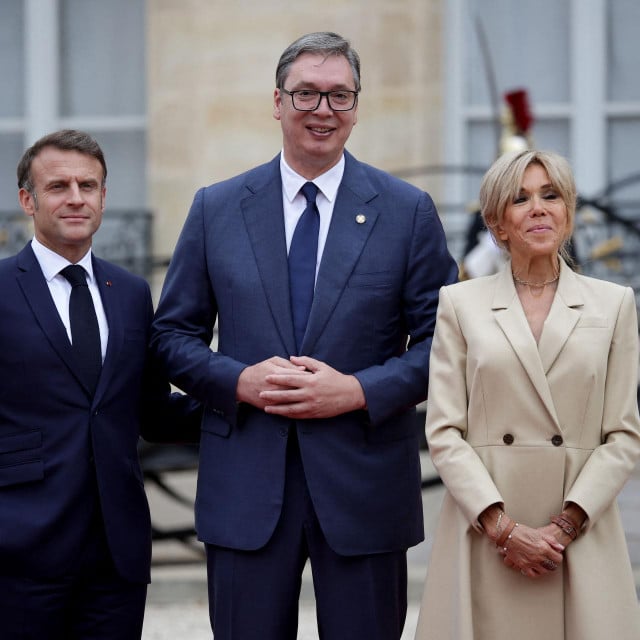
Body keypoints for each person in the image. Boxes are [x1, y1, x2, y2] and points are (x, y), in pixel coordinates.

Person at [150, 31, 458, 640]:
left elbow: (445, 346)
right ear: (277, 102)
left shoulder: (407, 211)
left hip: (363, 486)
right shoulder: (216, 208)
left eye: (340, 96)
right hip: (245, 484)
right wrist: (237, 379)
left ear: (357, 105)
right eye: (307, 95)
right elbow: (171, 335)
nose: (323, 111)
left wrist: (359, 391)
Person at [415, 149, 640, 640]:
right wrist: (504, 530)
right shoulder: (459, 302)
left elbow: (623, 435)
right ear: (497, 224)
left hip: (578, 536)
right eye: (520, 199)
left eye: (550, 195)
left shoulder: (614, 304)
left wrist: (563, 528)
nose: (538, 208)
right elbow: (445, 431)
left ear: (568, 210)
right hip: (487, 534)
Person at [0, 129, 201, 639]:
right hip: (18, 553)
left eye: (88, 186)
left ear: (104, 197)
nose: (75, 198)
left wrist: (246, 397)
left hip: (116, 555)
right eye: (58, 186)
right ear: (28, 199)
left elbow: (152, 411)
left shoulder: (131, 293)